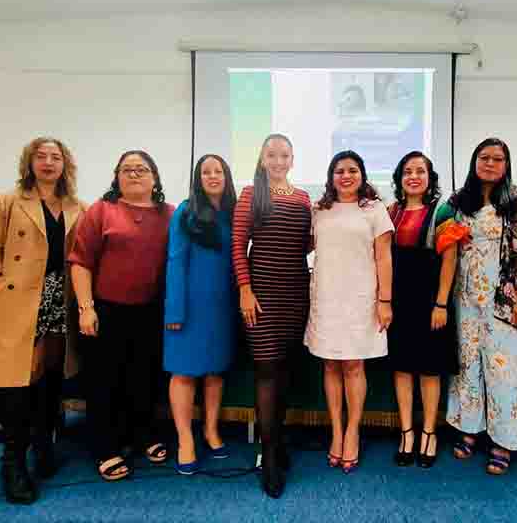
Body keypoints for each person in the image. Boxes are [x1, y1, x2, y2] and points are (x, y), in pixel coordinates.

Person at [0, 137, 85, 504]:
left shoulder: (77, 206)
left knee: (50, 379)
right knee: (19, 381)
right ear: (30, 162)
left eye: (56, 157)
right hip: (19, 299)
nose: (48, 163)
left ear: (65, 165)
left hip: (58, 299)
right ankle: (13, 463)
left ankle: (44, 445)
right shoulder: (8, 201)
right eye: (41, 156)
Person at [68, 150, 175, 482]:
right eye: (127, 169)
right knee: (105, 381)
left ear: (155, 177)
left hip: (151, 311)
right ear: (116, 177)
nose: (134, 174)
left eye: (142, 169)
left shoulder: (170, 214)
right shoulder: (101, 211)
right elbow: (80, 262)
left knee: (144, 378)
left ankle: (143, 434)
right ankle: (105, 447)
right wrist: (86, 308)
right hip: (106, 310)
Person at [437, 137, 517, 475]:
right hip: (465, 297)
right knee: (468, 366)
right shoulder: (458, 200)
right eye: (484, 157)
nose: (490, 163)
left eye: (497, 159)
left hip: (503, 300)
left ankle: (503, 441)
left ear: (506, 164)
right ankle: (468, 428)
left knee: (503, 370)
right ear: (474, 161)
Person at [231, 134, 312, 499]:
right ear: (263, 159)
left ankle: (277, 443)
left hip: (295, 294)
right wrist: (245, 290)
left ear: (292, 159)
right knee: (266, 372)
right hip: (260, 296)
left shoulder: (304, 198)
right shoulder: (251, 193)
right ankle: (269, 458)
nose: (278, 160)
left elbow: (306, 243)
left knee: (285, 374)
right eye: (272, 155)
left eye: (285, 155)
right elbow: (237, 245)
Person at [306, 150, 394, 475]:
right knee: (330, 364)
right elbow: (305, 247)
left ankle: (353, 431)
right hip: (326, 297)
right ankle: (336, 430)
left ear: (362, 175)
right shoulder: (319, 210)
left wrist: (385, 301)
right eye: (339, 170)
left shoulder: (374, 209)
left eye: (352, 170)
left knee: (354, 366)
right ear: (331, 176)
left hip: (361, 299)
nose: (346, 176)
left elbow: (384, 257)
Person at [164, 154, 238, 475]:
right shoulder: (186, 212)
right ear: (198, 178)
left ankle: (210, 430)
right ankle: (185, 440)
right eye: (205, 172)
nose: (212, 176)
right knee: (183, 372)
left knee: (214, 372)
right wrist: (175, 309)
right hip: (188, 306)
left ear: (226, 176)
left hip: (222, 307)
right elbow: (175, 262)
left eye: (217, 171)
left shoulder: (234, 212)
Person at [386, 151, 458, 468]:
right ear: (400, 179)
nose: (413, 176)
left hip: (431, 301)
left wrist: (441, 302)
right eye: (407, 171)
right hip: (399, 300)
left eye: (420, 171)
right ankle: (407, 433)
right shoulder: (390, 212)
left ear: (430, 178)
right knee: (402, 367)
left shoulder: (442, 212)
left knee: (429, 369)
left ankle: (429, 432)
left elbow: (450, 260)